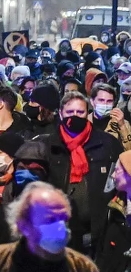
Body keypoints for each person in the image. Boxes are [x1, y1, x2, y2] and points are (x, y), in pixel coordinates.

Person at [34, 91, 119, 253]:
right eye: (70, 112)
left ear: (87, 113)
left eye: (80, 112)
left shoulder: (107, 143)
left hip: (97, 231)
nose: (75, 116)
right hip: (58, 230)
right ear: (61, 113)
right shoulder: (46, 145)